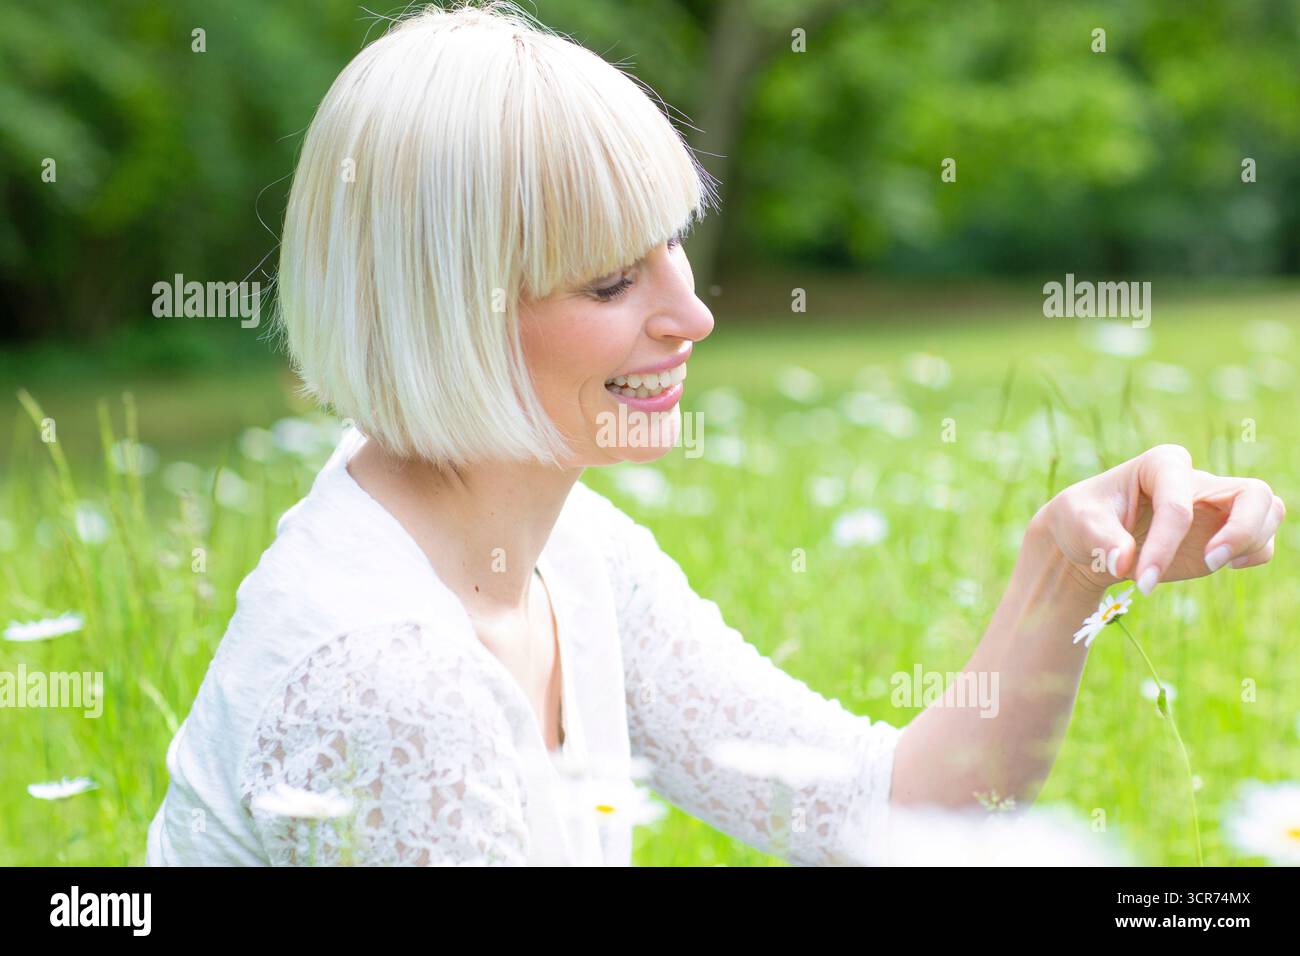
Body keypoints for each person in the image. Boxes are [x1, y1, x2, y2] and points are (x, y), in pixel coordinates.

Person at [145, 0, 1285, 866]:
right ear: (446, 314)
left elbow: (877, 811)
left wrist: (1064, 568)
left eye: (667, 246)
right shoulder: (391, 677)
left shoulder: (567, 551)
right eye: (608, 281)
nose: (689, 315)